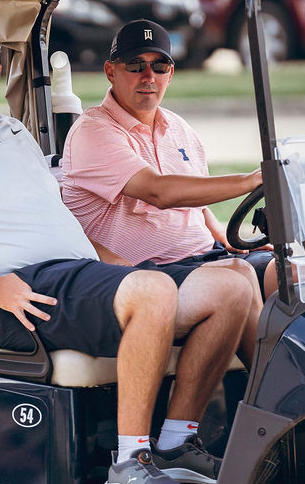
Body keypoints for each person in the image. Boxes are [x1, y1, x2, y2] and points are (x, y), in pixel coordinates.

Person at [0, 22, 253, 484]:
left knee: (232, 287)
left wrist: (117, 265)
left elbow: (54, 217)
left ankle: (176, 444)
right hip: (19, 294)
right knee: (155, 291)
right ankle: (129, 463)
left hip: (71, 275)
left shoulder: (12, 131)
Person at [60, 19, 277, 371]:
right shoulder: (93, 131)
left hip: (206, 256)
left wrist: (226, 237)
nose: (148, 76)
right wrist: (251, 180)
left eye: (159, 66)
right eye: (135, 66)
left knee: (292, 273)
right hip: (147, 272)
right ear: (110, 71)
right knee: (238, 276)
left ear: (170, 74)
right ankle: (276, 404)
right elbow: (160, 192)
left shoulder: (178, 128)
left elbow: (196, 202)